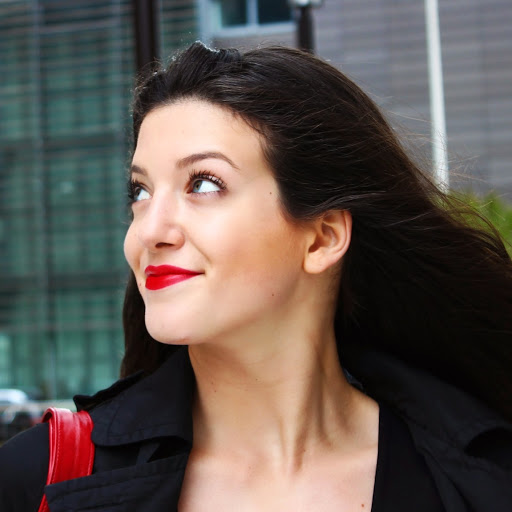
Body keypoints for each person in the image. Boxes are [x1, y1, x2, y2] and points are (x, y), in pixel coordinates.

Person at [1, 41, 511, 512]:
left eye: (203, 184)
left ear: (322, 239)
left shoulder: (482, 478)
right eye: (140, 192)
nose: (149, 231)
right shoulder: (34, 479)